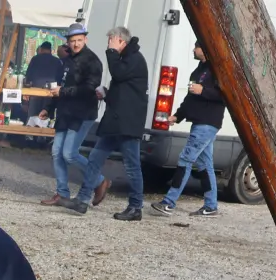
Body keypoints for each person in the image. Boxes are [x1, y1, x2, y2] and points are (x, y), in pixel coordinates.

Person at [67, 26, 148, 220]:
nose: (108, 44)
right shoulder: (126, 59)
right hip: (115, 121)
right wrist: (107, 94)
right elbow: (124, 91)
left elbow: (118, 74)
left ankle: (136, 207)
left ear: (121, 41)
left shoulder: (135, 59)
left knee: (132, 166)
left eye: (111, 40)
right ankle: (83, 199)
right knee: (95, 158)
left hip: (127, 123)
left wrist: (111, 53)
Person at [151, 40, 223, 217]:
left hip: (208, 122)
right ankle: (211, 205)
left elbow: (225, 95)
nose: (193, 49)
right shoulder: (198, 71)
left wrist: (203, 90)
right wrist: (177, 116)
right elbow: (190, 98)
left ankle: (169, 202)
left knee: (185, 159)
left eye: (197, 46)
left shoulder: (218, 70)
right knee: (205, 163)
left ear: (205, 49)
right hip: (199, 122)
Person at [40, 23, 102, 209]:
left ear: (85, 39)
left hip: (83, 113)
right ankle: (62, 193)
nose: (76, 44)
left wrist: (64, 91)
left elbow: (90, 88)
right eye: (73, 41)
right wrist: (49, 109)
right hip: (65, 113)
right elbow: (57, 87)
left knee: (69, 154)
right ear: (68, 42)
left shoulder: (92, 61)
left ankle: (99, 180)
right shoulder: (66, 61)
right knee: (56, 152)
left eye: (79, 40)